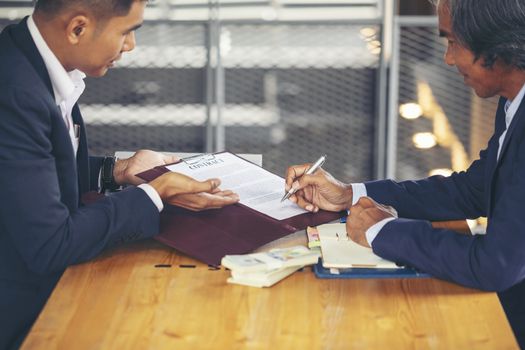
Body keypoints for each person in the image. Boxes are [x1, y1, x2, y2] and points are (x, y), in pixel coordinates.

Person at [285, 0, 525, 347]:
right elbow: (474, 188)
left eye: (453, 42)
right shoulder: (513, 100)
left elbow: (496, 265)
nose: (447, 59)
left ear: (495, 43)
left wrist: (382, 230)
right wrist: (350, 193)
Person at [0, 0, 239, 348]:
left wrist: (116, 171)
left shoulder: (30, 61)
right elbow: (50, 244)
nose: (130, 46)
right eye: (127, 31)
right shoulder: (15, 94)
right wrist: (155, 193)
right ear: (78, 28)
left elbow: (27, 173)